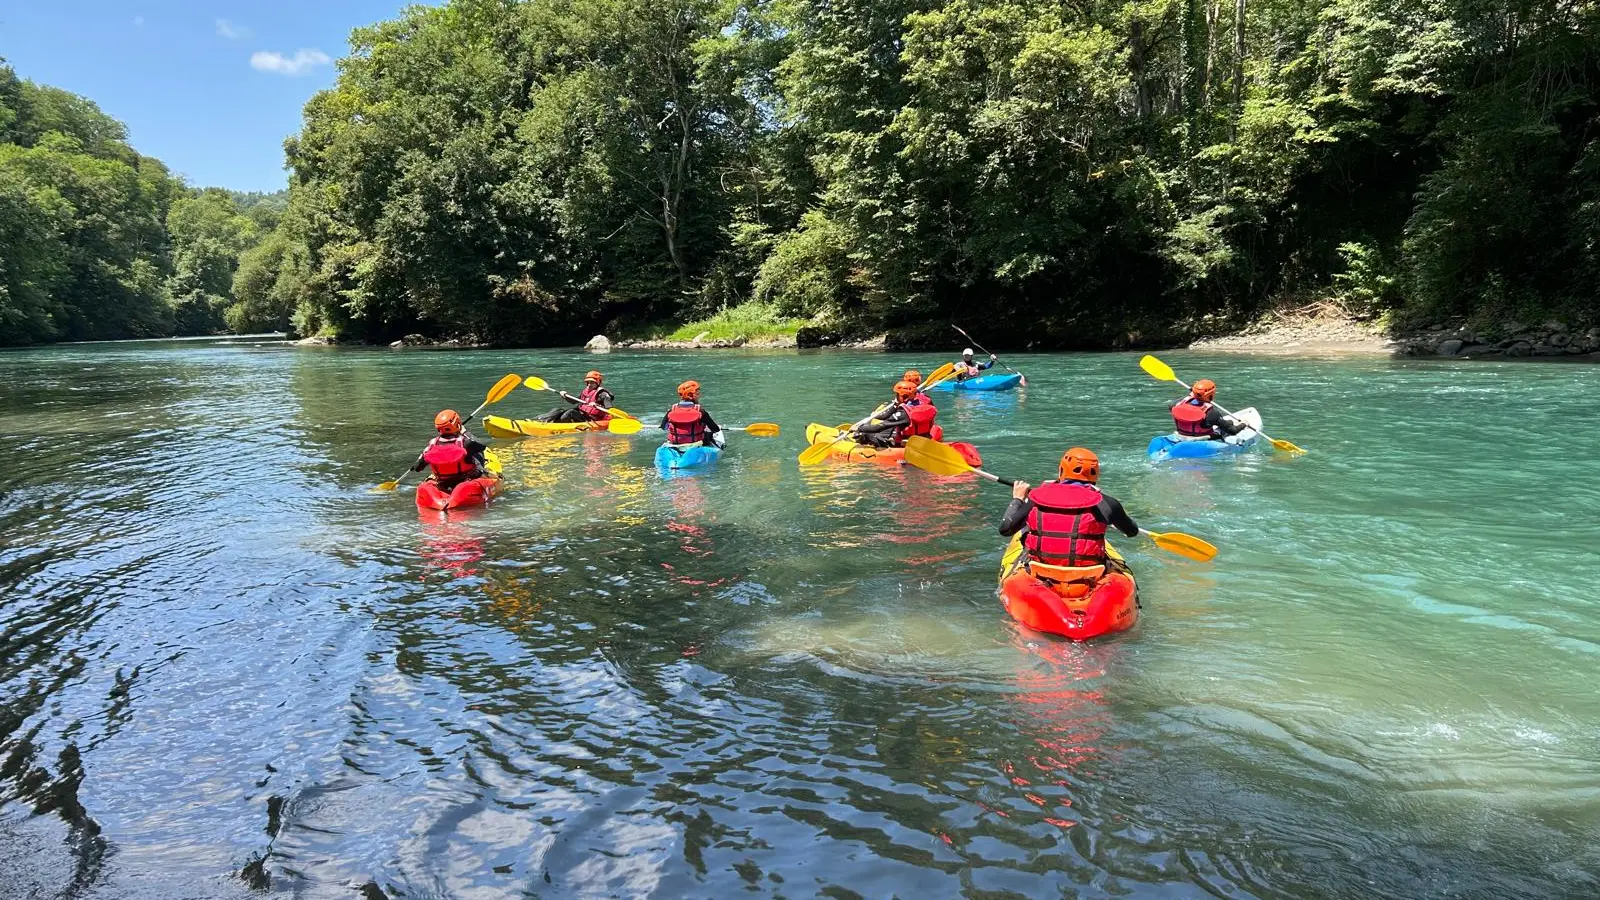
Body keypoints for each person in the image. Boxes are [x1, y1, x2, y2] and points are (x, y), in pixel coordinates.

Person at [998, 448, 1139, 571]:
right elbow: (1132, 531)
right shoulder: (1107, 503)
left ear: (1061, 470)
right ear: (1095, 474)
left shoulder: (1037, 497)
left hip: (1041, 570)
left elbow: (1006, 529)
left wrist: (1018, 499)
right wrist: (1116, 515)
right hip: (1089, 573)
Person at [413, 410, 489, 490]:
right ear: (457, 424)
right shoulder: (465, 443)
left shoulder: (431, 446)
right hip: (466, 478)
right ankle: (484, 473)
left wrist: (421, 457)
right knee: (477, 453)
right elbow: (482, 446)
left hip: (443, 481)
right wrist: (465, 432)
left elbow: (417, 468)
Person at [853, 380, 938, 448]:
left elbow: (879, 427)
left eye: (897, 394)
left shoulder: (904, 413)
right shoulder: (925, 403)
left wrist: (859, 428)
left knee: (866, 434)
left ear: (902, 396)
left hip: (906, 443)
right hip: (924, 440)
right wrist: (895, 405)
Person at [1169, 378, 1244, 441]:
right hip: (1201, 439)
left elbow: (1187, 401)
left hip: (1180, 435)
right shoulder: (1211, 413)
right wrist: (1244, 424)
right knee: (1227, 425)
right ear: (1211, 395)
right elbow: (1233, 431)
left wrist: (1193, 394)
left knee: (1229, 422)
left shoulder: (1174, 404)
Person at [661, 380, 724, 448]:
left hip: (675, 444)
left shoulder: (671, 410)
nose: (699, 396)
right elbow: (715, 429)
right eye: (697, 394)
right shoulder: (700, 412)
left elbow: (664, 427)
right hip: (695, 445)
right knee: (709, 434)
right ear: (692, 395)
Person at [536, 370, 614, 423]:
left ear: (598, 383)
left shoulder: (603, 394)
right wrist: (564, 395)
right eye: (588, 382)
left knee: (570, 412)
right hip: (583, 415)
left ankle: (553, 424)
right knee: (558, 410)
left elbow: (610, 410)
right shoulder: (586, 391)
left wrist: (596, 405)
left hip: (593, 419)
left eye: (592, 383)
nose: (589, 384)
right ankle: (539, 419)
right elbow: (573, 401)